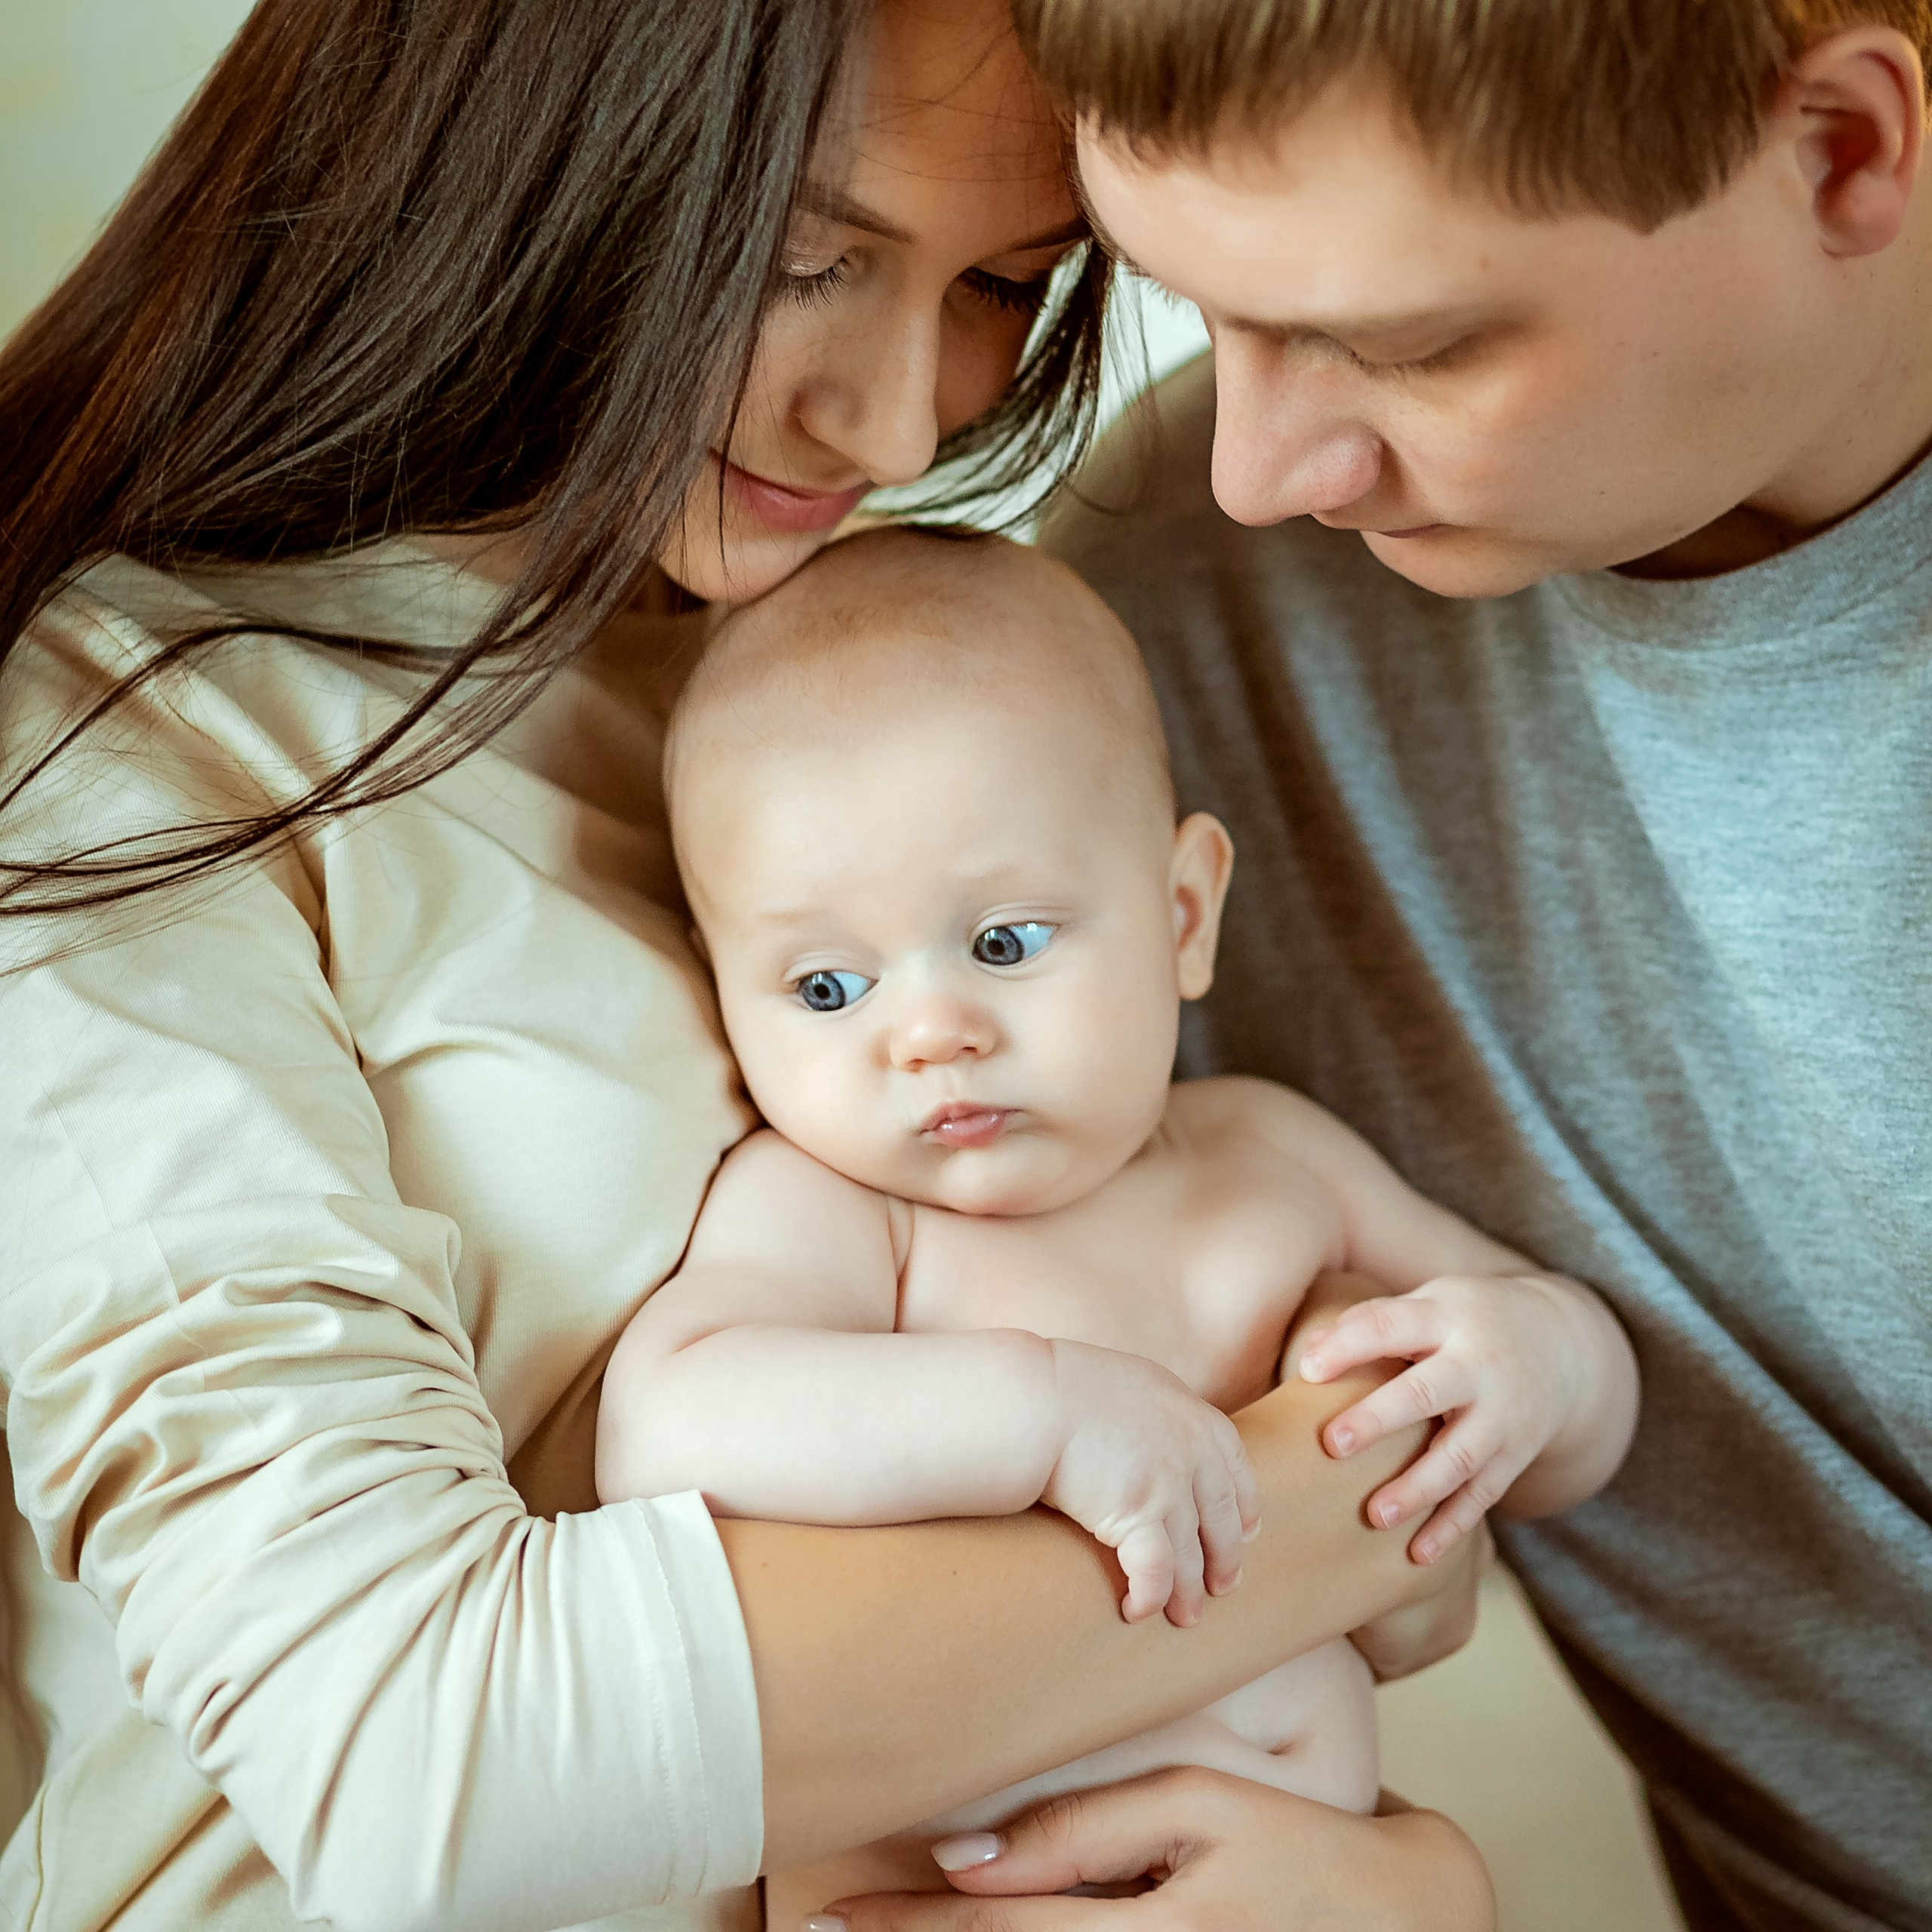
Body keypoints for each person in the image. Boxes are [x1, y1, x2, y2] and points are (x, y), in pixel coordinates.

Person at [0, 4, 1488, 1931]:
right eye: (800, 262)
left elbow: (1412, 1572)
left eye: (1000, 287)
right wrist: (1315, 1515)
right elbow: (424, 1776)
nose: (899, 428)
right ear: (501, 135)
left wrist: (1404, 1884)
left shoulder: (842, 688)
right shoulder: (109, 759)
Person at [829, 2, 1932, 1930]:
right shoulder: (1160, 628)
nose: (1259, 466)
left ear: (1837, 150)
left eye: (1406, 344)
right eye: (1190, 310)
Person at [595, 528, 1641, 1930]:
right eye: (828, 988)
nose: (931, 1034)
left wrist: (1543, 1357)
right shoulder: (839, 1214)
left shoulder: (1272, 1160)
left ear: (1183, 913)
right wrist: (1041, 1415)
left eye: (1004, 943)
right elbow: (664, 1428)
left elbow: (1570, 1429)